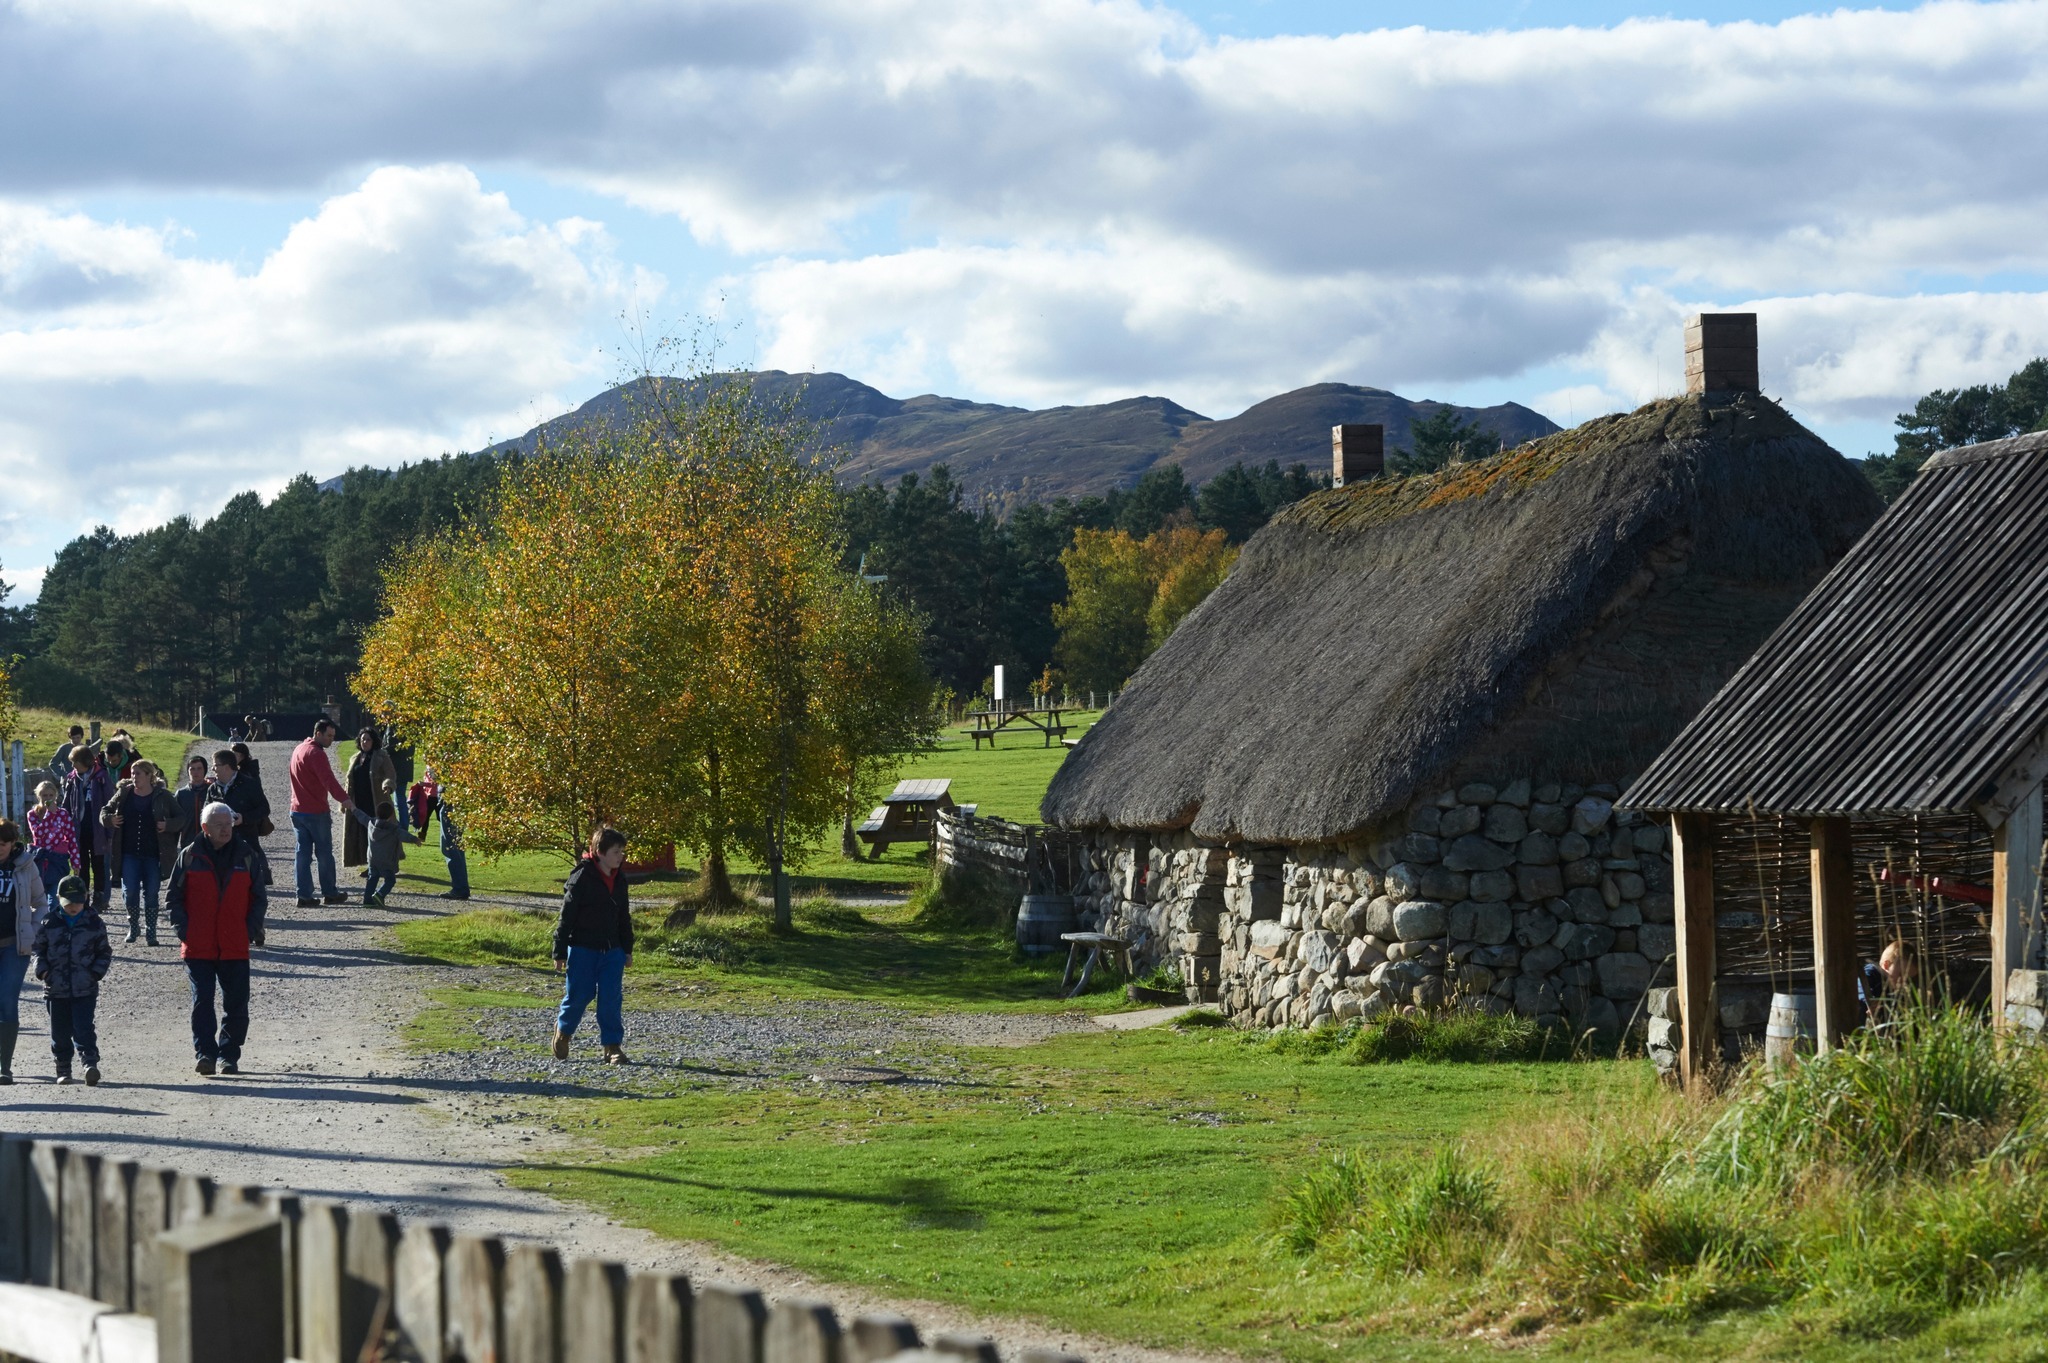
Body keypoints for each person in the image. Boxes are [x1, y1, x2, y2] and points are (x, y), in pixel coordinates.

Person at [167, 803, 268, 1077]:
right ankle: (205, 1054)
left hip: (235, 945)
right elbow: (173, 898)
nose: (226, 829)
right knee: (202, 1001)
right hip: (198, 946)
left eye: (228, 823)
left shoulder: (246, 855)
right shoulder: (189, 856)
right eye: (219, 825)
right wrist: (184, 931)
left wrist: (249, 930)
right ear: (205, 829)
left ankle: (228, 1056)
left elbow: (259, 897)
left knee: (236, 1003)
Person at [551, 827, 633, 1064]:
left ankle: (612, 1047)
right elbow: (566, 918)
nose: (621, 856)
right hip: (583, 948)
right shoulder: (581, 878)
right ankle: (564, 1031)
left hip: (613, 951)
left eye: (622, 851)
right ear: (600, 852)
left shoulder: (620, 880)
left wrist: (627, 950)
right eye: (616, 852)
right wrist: (559, 951)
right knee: (579, 994)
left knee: (610, 998)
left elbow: (624, 917)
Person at [32, 875, 110, 1085]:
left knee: (84, 1027)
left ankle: (89, 1064)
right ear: (59, 899)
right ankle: (63, 1068)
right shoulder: (49, 922)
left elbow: (103, 952)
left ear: (85, 898)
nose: (73, 907)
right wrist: (43, 971)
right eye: (69, 903)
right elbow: (38, 950)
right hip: (55, 988)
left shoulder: (94, 923)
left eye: (78, 902)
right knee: (60, 1031)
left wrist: (96, 973)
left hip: (85, 987)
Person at [100, 760, 186, 945]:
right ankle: (134, 926)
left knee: (152, 892)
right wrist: (110, 819)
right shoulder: (124, 793)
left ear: (149, 775)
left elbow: (182, 817)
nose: (133, 777)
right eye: (132, 773)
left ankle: (151, 932)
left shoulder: (163, 795)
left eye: (138, 773)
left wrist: (168, 825)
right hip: (129, 853)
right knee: (130, 891)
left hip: (154, 854)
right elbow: (104, 811)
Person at [0, 820, 50, 1085]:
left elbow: (41, 904)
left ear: (12, 843)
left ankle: (4, 1067)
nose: (0, 849)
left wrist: (32, 929)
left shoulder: (25, 866)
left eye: (4, 844)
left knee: (7, 1002)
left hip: (14, 946)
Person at [288, 720, 352, 909]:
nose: (332, 740)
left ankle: (304, 894)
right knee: (324, 854)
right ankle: (329, 893)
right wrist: (344, 799)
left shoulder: (299, 748)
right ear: (318, 733)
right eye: (329, 736)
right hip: (315, 811)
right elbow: (328, 780)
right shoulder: (316, 753)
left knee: (303, 853)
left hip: (297, 810)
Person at [62, 747, 113, 911]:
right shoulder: (72, 778)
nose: (73, 767)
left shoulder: (101, 777)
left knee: (98, 864)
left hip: (97, 828)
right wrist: (64, 822)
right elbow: (67, 803)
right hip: (79, 829)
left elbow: (109, 801)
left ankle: (99, 898)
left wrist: (109, 829)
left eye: (75, 763)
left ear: (85, 761)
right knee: (81, 864)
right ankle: (83, 897)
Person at [343, 729, 397, 874]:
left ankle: (379, 866)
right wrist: (344, 801)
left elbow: (390, 774)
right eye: (362, 739)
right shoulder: (355, 758)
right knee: (362, 834)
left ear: (374, 741)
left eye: (368, 739)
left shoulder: (381, 756)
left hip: (376, 801)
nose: (364, 742)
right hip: (359, 801)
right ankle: (370, 864)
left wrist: (388, 785)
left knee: (378, 834)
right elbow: (349, 781)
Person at [350, 800, 405, 907]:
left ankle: (367, 900)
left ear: (377, 813)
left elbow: (362, 817)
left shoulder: (370, 823)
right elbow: (404, 835)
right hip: (386, 860)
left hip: (372, 859)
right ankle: (380, 894)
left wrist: (354, 809)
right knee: (390, 880)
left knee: (372, 879)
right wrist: (415, 839)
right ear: (391, 815)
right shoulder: (393, 829)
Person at [27, 780, 77, 893]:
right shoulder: (32, 814)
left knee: (55, 897)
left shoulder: (63, 813)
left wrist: (75, 862)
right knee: (40, 896)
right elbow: (38, 834)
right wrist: (49, 814)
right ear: (39, 796)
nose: (48, 798)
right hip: (40, 859)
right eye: (44, 795)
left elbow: (71, 838)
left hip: (57, 859)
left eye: (51, 795)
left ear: (55, 796)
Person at [1860, 939, 1918, 1031]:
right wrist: (1868, 1001)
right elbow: (1860, 987)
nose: (1903, 981)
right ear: (1886, 965)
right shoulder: (1871, 973)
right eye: (1900, 974)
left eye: (1907, 979)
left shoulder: (1894, 989)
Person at [174, 758, 212, 852]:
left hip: (210, 841)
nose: (196, 772)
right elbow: (175, 819)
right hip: (187, 841)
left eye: (199, 768)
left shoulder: (212, 791)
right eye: (192, 769)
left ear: (205, 770)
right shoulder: (181, 794)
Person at [438, 795, 470, 901]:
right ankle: (461, 888)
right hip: (456, 804)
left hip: (451, 804)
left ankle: (460, 889)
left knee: (451, 848)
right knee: (456, 847)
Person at [408, 765, 439, 843]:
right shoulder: (426, 774)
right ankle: (422, 836)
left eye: (430, 769)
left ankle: (450, 833)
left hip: (436, 797)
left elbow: (435, 784)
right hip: (429, 798)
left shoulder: (436, 773)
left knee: (440, 817)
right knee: (426, 817)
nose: (429, 771)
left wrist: (424, 784)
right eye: (428, 769)